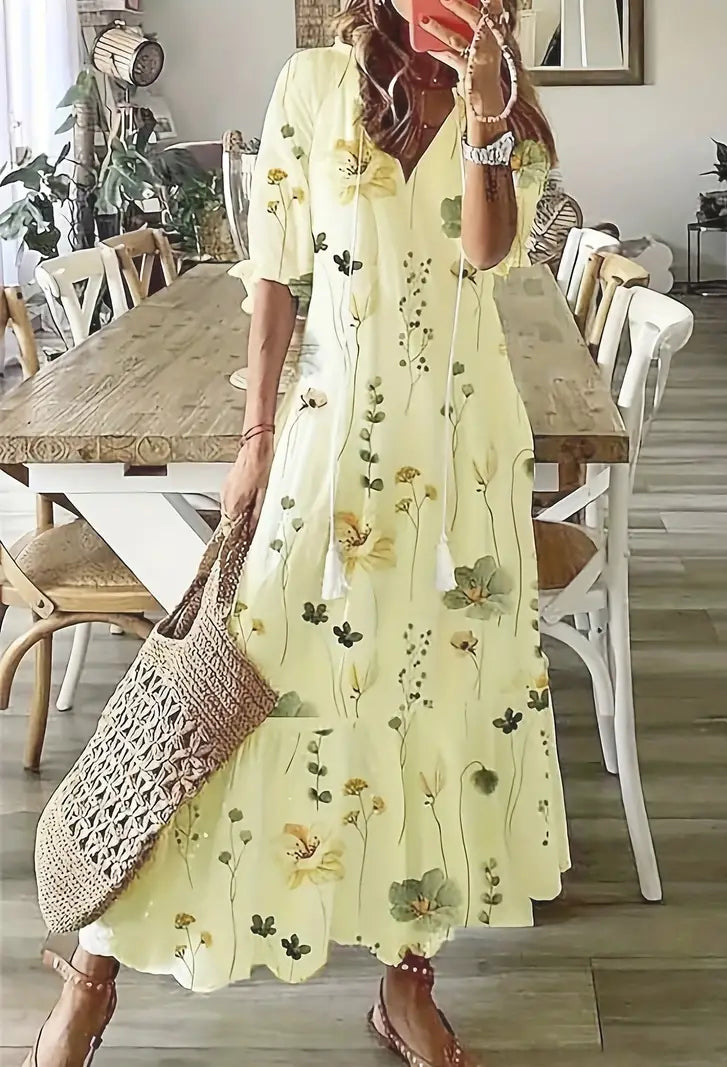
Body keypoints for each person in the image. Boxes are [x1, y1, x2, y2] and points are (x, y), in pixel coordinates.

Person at [25, 2, 569, 1064]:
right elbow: (273, 273)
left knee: (437, 706)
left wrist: (485, 118)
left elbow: (484, 248)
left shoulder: (505, 102)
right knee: (236, 689)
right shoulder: (314, 86)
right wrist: (256, 434)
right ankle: (94, 963)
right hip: (332, 436)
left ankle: (406, 980)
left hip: (461, 454)